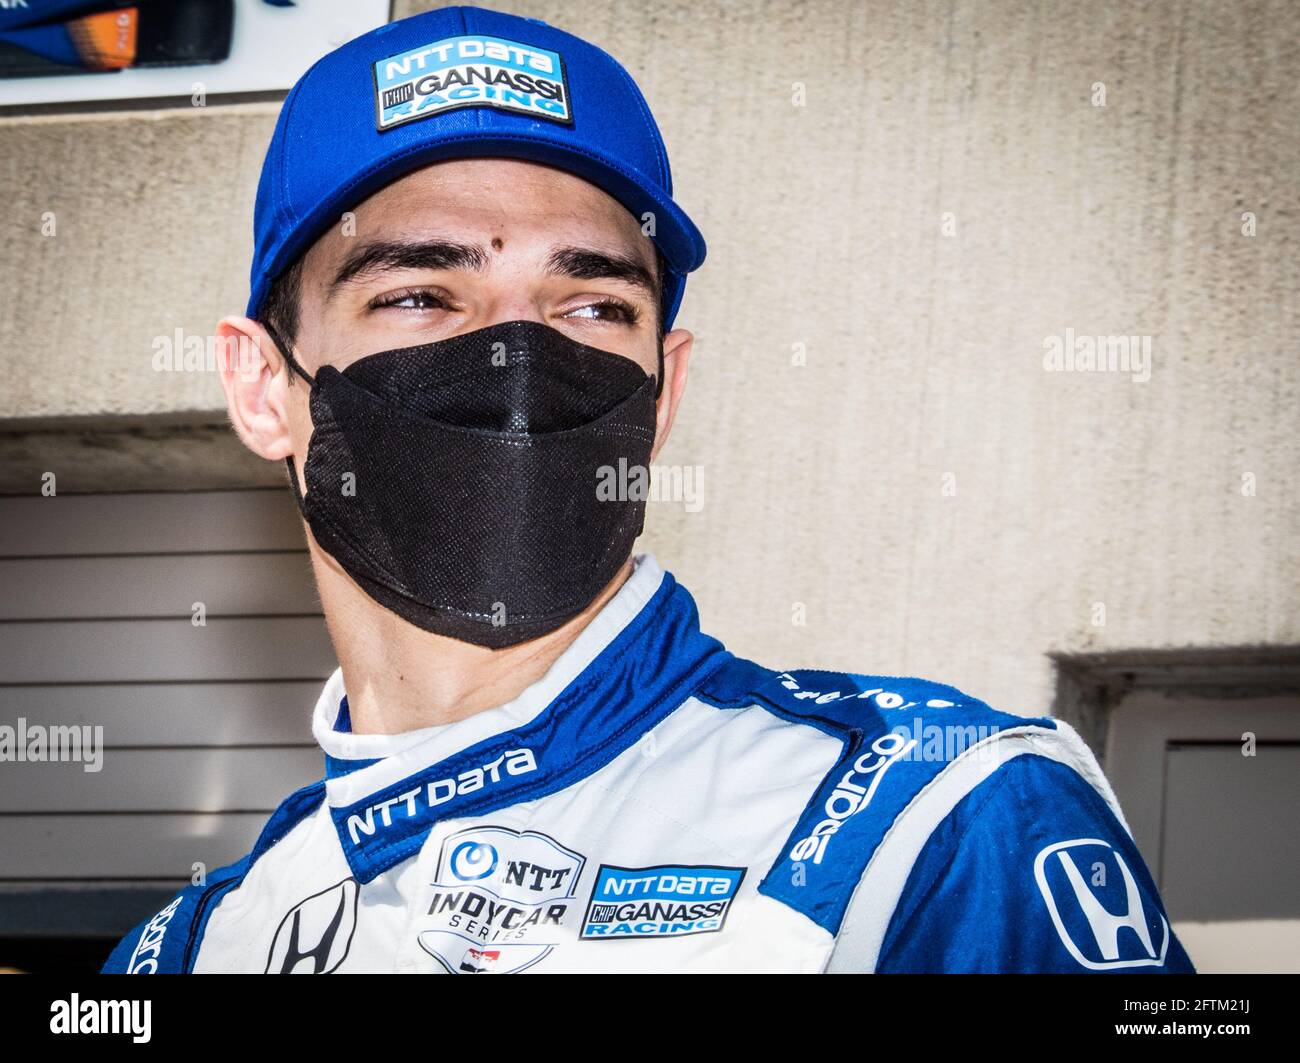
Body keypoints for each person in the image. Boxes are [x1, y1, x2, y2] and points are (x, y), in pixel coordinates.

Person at [101, 4, 1194, 974]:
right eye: (424, 296)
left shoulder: (931, 825)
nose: (514, 358)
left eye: (590, 309)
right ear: (260, 386)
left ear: (663, 395)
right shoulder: (195, 948)